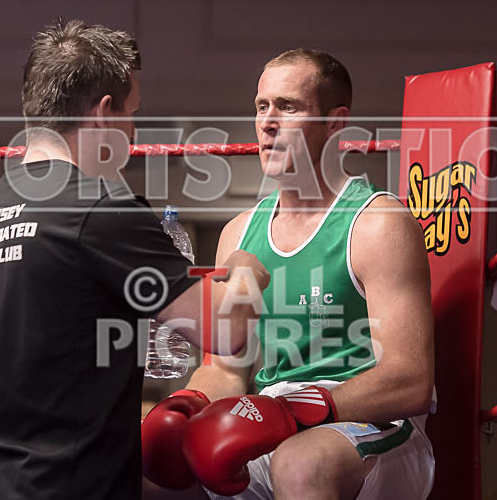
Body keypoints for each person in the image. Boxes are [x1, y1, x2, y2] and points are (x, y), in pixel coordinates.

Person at [0, 19, 268, 500]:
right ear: (104, 112)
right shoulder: (102, 208)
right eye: (132, 114)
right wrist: (242, 268)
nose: (132, 132)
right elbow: (227, 333)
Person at [142, 49, 435, 499]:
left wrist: (299, 410)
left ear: (336, 123)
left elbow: (410, 379)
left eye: (289, 106)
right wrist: (188, 405)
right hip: (270, 420)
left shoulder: (377, 223)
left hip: (369, 427)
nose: (268, 121)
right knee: (196, 456)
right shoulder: (238, 233)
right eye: (262, 107)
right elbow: (226, 367)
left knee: (299, 462)